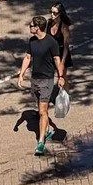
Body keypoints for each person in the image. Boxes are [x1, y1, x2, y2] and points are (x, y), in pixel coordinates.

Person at [19, 13, 66, 155]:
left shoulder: (51, 42)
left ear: (38, 27)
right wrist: (21, 74)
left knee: (42, 111)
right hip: (35, 80)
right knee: (40, 108)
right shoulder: (32, 41)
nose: (30, 27)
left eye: (32, 25)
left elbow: (57, 60)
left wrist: (61, 76)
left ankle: (40, 142)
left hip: (47, 80)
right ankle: (45, 129)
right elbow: (28, 57)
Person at [47, 3, 73, 71]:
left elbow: (66, 47)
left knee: (62, 77)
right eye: (51, 12)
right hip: (51, 54)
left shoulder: (64, 27)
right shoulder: (49, 23)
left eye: (55, 13)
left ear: (60, 14)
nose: (52, 14)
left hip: (61, 54)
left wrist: (62, 62)